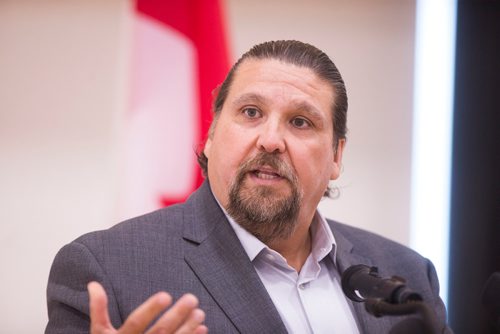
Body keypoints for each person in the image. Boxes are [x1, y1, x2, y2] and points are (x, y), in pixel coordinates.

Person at [46, 40, 452, 333]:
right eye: (251, 112)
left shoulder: (408, 275)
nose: (271, 140)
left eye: (300, 122)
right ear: (211, 134)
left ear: (335, 157)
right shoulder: (108, 270)